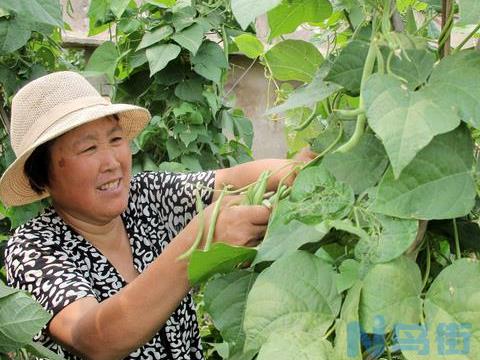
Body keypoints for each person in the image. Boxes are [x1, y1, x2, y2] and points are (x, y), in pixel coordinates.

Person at [0, 71, 314, 360]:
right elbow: (92, 337)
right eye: (88, 149)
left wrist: (292, 170)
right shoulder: (34, 248)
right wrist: (196, 245)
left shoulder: (145, 196)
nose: (112, 161)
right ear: (43, 175)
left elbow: (229, 180)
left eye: (115, 139)